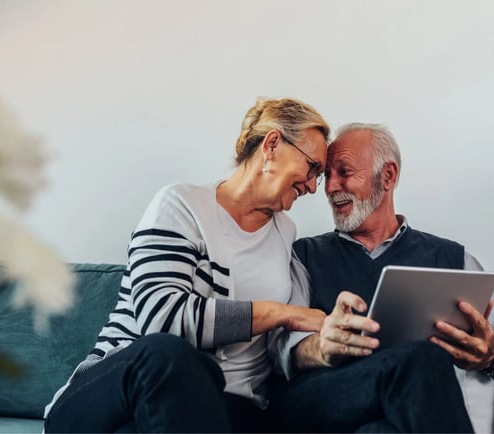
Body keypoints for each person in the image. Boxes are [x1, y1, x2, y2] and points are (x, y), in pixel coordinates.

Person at [44, 97, 332, 433]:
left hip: (224, 410)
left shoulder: (286, 235)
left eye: (319, 176)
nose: (313, 186)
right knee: (167, 354)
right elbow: (162, 320)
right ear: (271, 145)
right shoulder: (181, 206)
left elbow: (290, 341)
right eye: (312, 167)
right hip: (121, 395)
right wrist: (281, 313)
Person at [268, 123, 494, 433]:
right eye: (326, 175)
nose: (330, 187)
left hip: (406, 410)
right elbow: (280, 347)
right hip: (323, 399)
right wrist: (320, 346)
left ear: (388, 176)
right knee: (420, 359)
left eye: (343, 172)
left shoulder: (452, 259)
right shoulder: (303, 256)